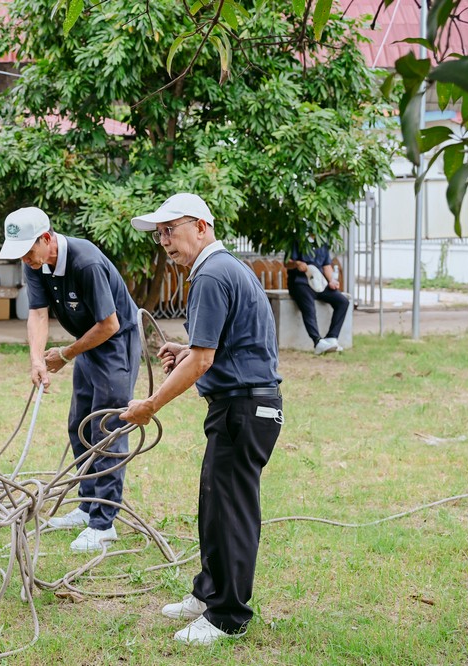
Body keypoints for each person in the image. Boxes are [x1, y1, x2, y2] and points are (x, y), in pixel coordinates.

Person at [120, 193, 282, 646]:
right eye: (160, 234)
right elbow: (210, 348)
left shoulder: (210, 273)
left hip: (243, 409)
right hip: (243, 408)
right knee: (215, 507)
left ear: (202, 227)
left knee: (229, 512)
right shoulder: (221, 269)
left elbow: (203, 362)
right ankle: (209, 593)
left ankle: (227, 617)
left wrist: (150, 404)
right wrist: (185, 348)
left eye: (172, 229)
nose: (165, 241)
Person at [0, 206, 141, 553]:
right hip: (87, 343)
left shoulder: (85, 261)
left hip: (115, 342)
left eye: (29, 251)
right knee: (78, 424)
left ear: (46, 239)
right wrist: (37, 359)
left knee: (104, 427)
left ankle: (103, 523)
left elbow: (109, 325)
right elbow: (37, 312)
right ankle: (87, 504)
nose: (26, 260)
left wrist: (64, 354)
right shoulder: (36, 262)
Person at [285, 240, 349, 354]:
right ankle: (317, 341)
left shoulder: (322, 241)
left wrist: (331, 280)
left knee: (342, 302)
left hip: (319, 282)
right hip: (301, 282)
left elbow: (326, 265)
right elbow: (287, 263)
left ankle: (332, 338)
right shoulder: (297, 240)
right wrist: (297, 264)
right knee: (309, 308)